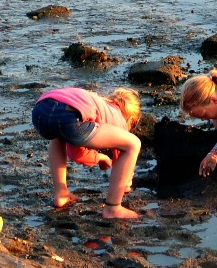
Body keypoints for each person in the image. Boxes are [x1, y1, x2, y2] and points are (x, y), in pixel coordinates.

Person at [31, 86, 141, 219]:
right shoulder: (120, 120)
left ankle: (61, 193)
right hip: (68, 115)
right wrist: (103, 159)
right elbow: (77, 154)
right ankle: (113, 208)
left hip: (41, 109)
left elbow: (72, 141)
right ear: (130, 119)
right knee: (133, 144)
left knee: (58, 135)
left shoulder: (97, 103)